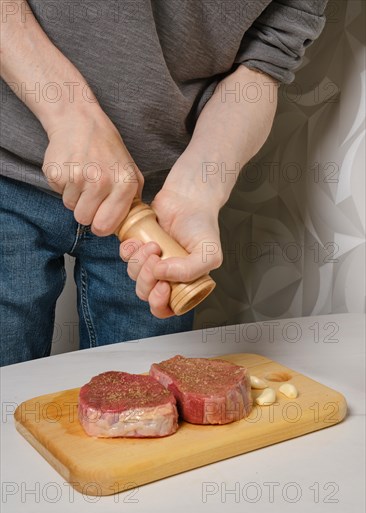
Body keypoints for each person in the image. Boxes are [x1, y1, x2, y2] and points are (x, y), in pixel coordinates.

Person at [0, 0, 328, 367]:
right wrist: (70, 112)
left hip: (157, 210)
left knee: (144, 404)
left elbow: (264, 62)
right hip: (5, 168)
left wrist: (200, 190)